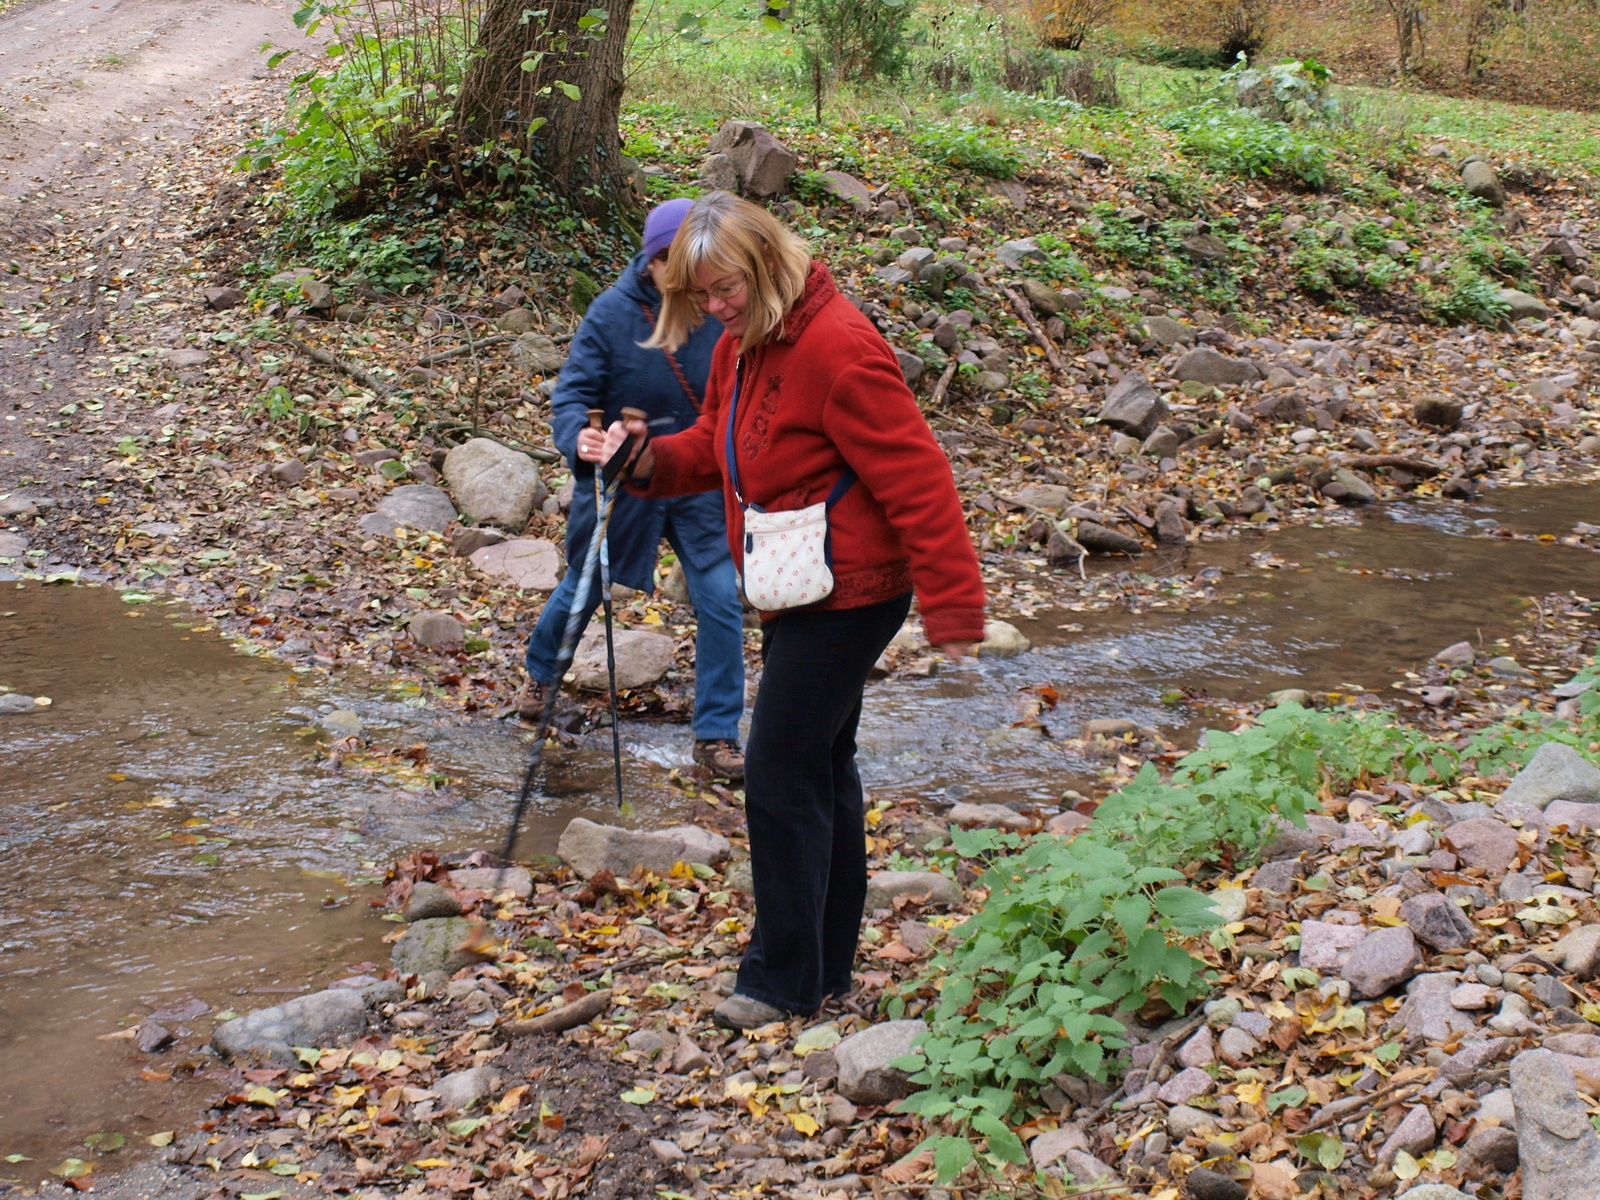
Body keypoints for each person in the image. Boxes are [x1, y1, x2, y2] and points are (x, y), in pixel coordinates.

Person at [583, 191, 986, 1029]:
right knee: (820, 768)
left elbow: (920, 482)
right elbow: (717, 446)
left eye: (723, 290)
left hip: (853, 590)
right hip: (796, 582)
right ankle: (826, 970)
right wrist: (646, 457)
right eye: (700, 299)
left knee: (777, 769)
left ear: (766, 264)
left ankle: (779, 981)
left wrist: (955, 608)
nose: (714, 310)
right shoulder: (744, 343)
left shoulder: (840, 349)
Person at [517, 198, 747, 779]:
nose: (687, 269)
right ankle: (540, 678)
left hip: (698, 477)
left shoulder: (719, 308)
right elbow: (571, 396)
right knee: (586, 582)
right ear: (651, 259)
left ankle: (717, 734)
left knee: (720, 598)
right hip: (630, 479)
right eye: (673, 257)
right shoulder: (612, 313)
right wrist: (582, 441)